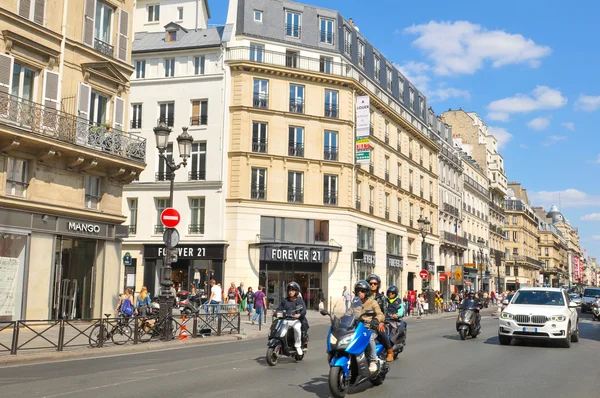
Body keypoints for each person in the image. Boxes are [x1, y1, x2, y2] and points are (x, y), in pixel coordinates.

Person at [345, 280, 384, 373]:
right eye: (358, 291)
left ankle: (373, 360)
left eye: (362, 291)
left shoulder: (372, 303)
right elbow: (348, 314)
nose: (359, 293)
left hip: (369, 328)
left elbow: (380, 314)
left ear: (366, 292)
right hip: (357, 329)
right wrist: (340, 320)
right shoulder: (355, 304)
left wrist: (376, 320)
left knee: (369, 338)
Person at [366, 274, 394, 362]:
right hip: (366, 321)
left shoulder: (381, 298)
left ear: (378, 285)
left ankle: (390, 352)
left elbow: (384, 312)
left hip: (378, 321)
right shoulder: (364, 297)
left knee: (381, 332)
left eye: (375, 283)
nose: (373, 285)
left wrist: (382, 322)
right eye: (370, 283)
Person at [275, 282, 307, 355]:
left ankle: (297, 345)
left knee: (297, 329)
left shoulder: (300, 301)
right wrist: (276, 312)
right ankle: (283, 345)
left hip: (296, 320)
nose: (290, 292)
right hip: (285, 320)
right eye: (289, 290)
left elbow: (304, 310)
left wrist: (299, 314)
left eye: (292, 291)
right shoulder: (285, 300)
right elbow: (279, 308)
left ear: (296, 292)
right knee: (281, 331)